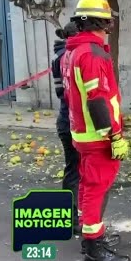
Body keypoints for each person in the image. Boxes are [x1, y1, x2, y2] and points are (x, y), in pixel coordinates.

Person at [61, 0, 130, 261]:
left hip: (84, 133)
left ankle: (93, 236)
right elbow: (97, 99)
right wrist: (113, 135)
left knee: (90, 187)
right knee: (95, 190)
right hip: (97, 136)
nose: (107, 29)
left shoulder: (74, 51)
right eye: (106, 24)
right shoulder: (91, 54)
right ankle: (93, 248)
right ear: (101, 24)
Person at [52, 22, 81, 235]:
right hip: (71, 122)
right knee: (75, 171)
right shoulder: (68, 58)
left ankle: (72, 217)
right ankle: (72, 219)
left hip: (65, 121)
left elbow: (60, 93)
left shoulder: (59, 57)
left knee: (73, 170)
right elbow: (69, 96)